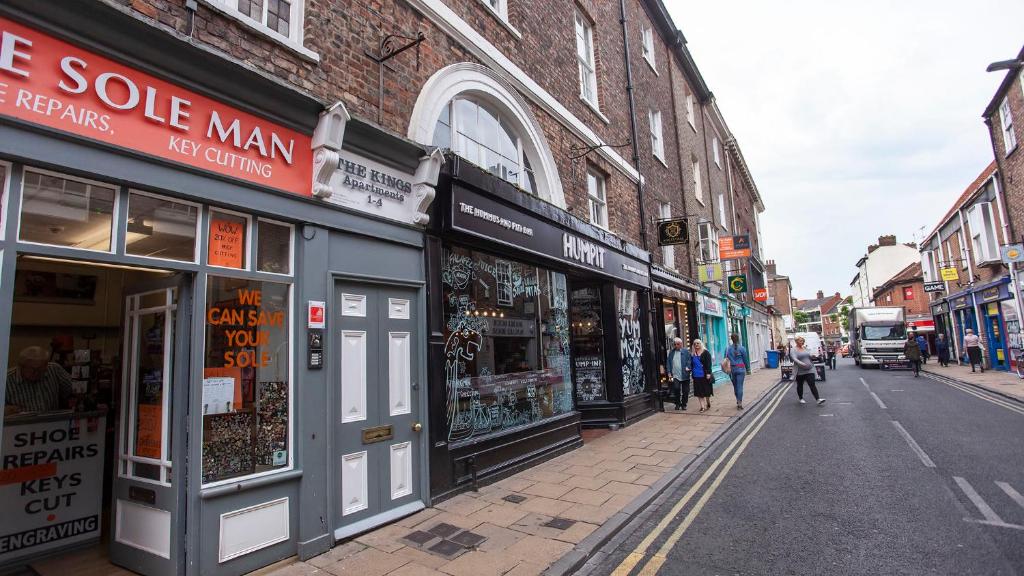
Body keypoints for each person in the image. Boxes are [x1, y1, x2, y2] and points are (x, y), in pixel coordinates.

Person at [5, 346, 73, 415]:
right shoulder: (6, 380)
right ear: (21, 366)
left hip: (50, 421)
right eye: (33, 369)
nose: (37, 373)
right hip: (21, 423)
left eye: (41, 370)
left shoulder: (53, 369)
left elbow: (74, 390)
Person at [790, 336, 824, 405]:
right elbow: (794, 358)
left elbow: (809, 356)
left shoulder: (805, 348)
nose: (802, 342)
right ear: (796, 341)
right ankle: (801, 398)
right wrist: (801, 363)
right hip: (800, 370)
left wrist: (812, 356)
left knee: (812, 384)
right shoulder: (793, 350)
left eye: (803, 341)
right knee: (800, 385)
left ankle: (818, 399)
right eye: (800, 341)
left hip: (809, 369)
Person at [666, 337, 692, 411]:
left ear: (681, 344)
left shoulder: (686, 352)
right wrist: (669, 373)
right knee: (676, 389)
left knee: (685, 391)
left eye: (678, 344)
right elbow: (668, 363)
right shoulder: (671, 352)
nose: (676, 345)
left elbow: (689, 360)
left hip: (685, 374)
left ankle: (684, 404)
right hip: (675, 375)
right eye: (675, 344)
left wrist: (688, 367)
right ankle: (677, 403)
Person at [724, 334, 749, 410]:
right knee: (740, 386)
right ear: (738, 339)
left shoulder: (727, 349)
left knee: (735, 386)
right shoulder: (742, 348)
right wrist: (748, 369)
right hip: (741, 369)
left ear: (731, 339)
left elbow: (725, 360)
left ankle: (738, 401)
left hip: (731, 370)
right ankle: (740, 403)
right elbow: (745, 360)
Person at [691, 339, 714, 413]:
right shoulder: (693, 354)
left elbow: (709, 364)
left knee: (706, 392)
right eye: (695, 344)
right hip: (696, 375)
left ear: (701, 344)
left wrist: (708, 373)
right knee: (699, 392)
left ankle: (708, 401)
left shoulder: (706, 353)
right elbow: (692, 364)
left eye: (698, 343)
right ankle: (702, 407)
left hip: (704, 375)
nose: (696, 345)